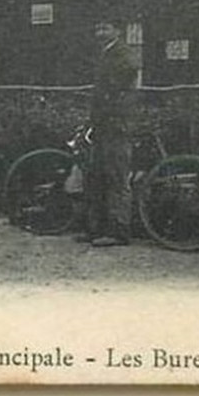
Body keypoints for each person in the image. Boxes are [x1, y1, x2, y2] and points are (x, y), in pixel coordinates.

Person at [87, 20, 139, 247]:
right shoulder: (105, 54)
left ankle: (119, 231)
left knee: (118, 178)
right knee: (98, 176)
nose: (100, 32)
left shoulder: (124, 54)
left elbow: (122, 80)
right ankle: (97, 229)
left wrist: (109, 97)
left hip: (118, 123)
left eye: (105, 28)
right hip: (102, 123)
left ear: (117, 31)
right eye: (98, 28)